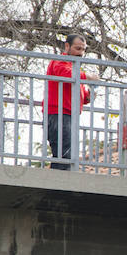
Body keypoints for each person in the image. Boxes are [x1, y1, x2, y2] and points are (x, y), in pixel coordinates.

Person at [44, 34, 99, 170]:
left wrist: (88, 96)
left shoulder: (74, 68)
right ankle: (58, 186)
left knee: (66, 154)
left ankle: (57, 185)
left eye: (83, 50)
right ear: (67, 46)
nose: (81, 53)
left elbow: (78, 91)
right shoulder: (60, 61)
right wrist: (87, 76)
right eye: (77, 48)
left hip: (68, 114)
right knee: (64, 154)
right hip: (58, 114)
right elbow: (64, 74)